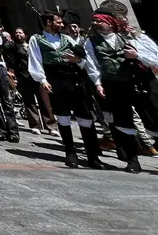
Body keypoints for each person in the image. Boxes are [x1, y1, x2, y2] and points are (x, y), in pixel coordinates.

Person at [86, 3, 158, 177]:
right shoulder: (91, 42)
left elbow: (156, 59)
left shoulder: (133, 38)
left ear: (110, 22)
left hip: (139, 84)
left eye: (99, 21)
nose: (95, 24)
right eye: (94, 21)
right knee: (123, 123)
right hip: (115, 85)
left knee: (153, 121)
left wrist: (136, 55)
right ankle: (133, 160)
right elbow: (92, 63)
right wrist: (98, 83)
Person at [28, 11, 109, 169]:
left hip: (74, 78)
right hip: (55, 79)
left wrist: (77, 61)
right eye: (58, 21)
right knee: (63, 116)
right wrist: (42, 80)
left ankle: (93, 155)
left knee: (85, 116)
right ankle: (70, 153)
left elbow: (85, 59)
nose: (61, 24)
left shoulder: (67, 39)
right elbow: (35, 60)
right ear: (48, 22)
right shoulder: (36, 39)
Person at [3, 27, 49, 135]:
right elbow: (9, 56)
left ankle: (50, 125)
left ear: (26, 35)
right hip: (23, 76)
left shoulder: (33, 46)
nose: (18, 34)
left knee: (44, 101)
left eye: (20, 33)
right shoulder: (14, 47)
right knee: (29, 102)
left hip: (37, 76)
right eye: (16, 33)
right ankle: (35, 125)